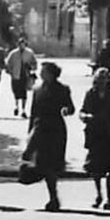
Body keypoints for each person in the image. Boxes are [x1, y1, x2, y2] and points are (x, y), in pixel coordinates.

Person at [22, 60, 75, 211]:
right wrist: (30, 133)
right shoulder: (37, 89)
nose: (41, 73)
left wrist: (66, 110)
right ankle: (53, 197)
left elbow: (71, 108)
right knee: (42, 163)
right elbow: (33, 113)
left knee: (51, 164)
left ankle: (53, 197)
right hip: (39, 130)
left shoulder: (63, 89)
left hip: (55, 130)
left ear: (52, 74)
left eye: (44, 71)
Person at [80, 67, 110, 209]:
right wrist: (84, 116)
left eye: (105, 78)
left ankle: (109, 197)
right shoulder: (91, 93)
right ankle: (98, 194)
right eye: (99, 78)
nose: (102, 81)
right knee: (95, 168)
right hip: (95, 135)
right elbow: (83, 110)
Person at [5, 37, 38, 116]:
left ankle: (23, 110)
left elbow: (34, 63)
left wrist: (31, 67)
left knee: (24, 93)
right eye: (20, 44)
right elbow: (8, 64)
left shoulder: (29, 53)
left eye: (23, 44)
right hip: (15, 76)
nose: (21, 46)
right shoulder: (13, 53)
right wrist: (10, 72)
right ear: (18, 45)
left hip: (25, 76)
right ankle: (16, 106)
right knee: (16, 92)